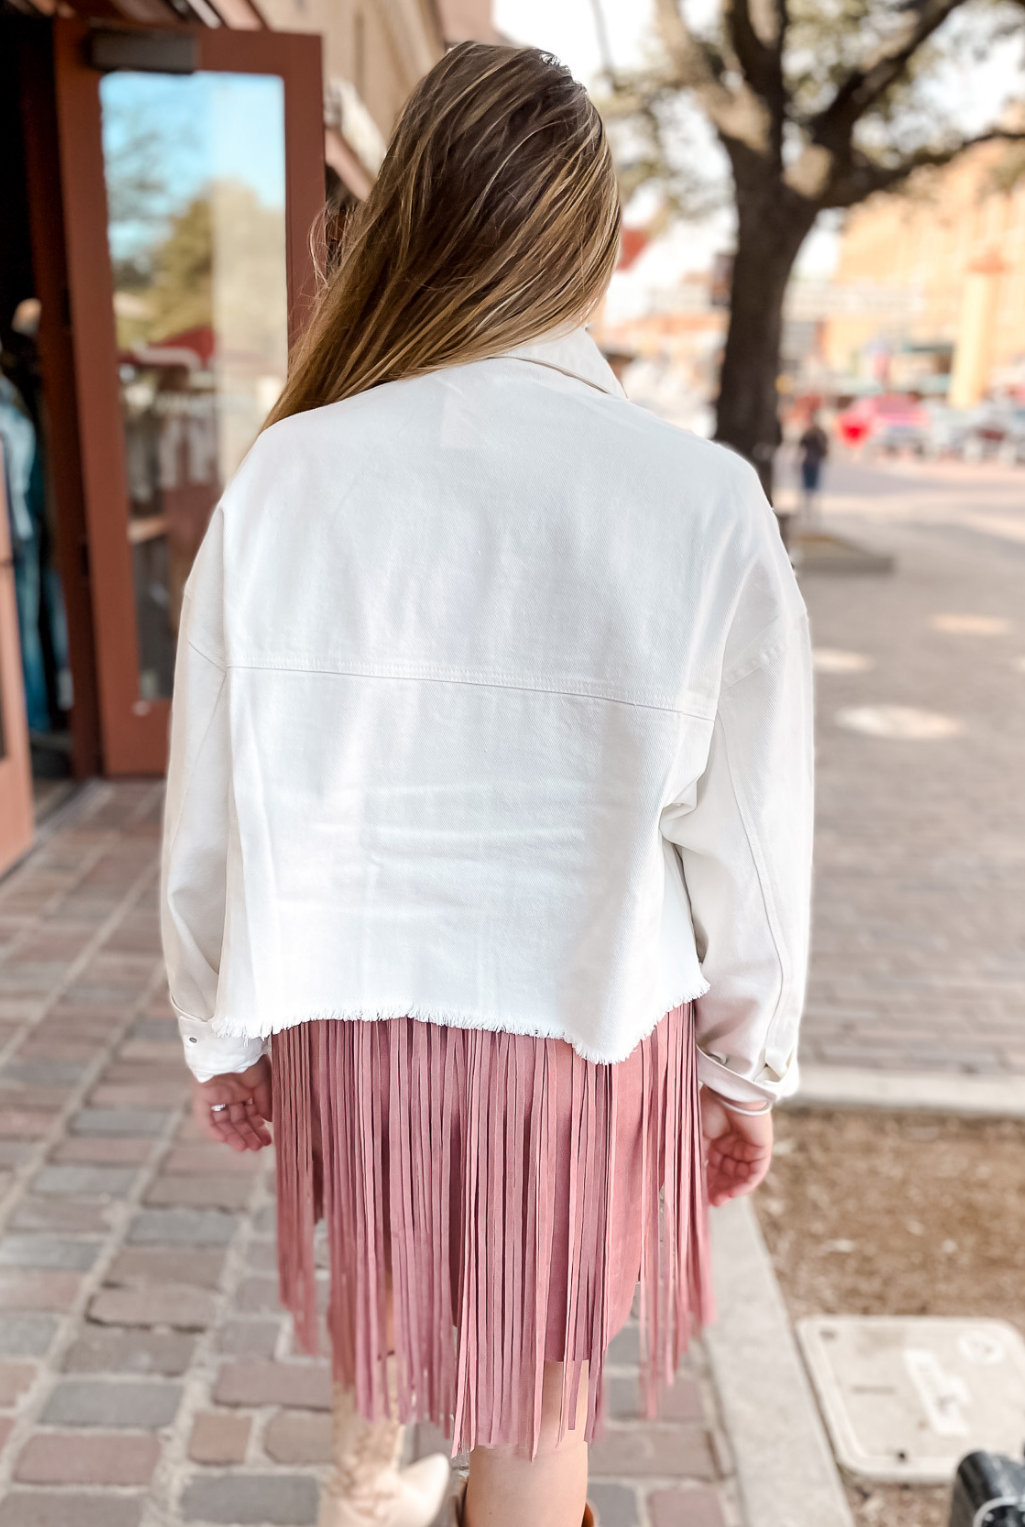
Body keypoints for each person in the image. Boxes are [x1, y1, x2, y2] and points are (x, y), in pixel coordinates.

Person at [161, 42, 814, 1527]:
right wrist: (745, 1061)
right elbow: (750, 844)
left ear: (408, 221)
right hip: (588, 1023)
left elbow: (221, 794)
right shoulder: (698, 496)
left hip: (361, 1022)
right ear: (586, 243)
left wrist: (225, 1021)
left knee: (401, 1346)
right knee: (537, 1396)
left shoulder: (283, 477)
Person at [798, 411, 829, 520]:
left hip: (813, 463)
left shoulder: (817, 434)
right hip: (810, 463)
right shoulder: (811, 434)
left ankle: (810, 510)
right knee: (808, 488)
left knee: (811, 488)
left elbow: (824, 451)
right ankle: (807, 509)